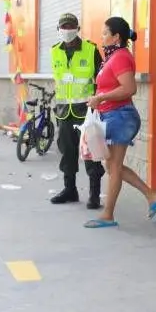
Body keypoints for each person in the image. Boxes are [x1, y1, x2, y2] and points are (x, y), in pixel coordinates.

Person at [83, 17, 156, 229]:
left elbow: (129, 88)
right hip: (112, 115)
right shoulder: (113, 57)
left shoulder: (120, 57)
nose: (101, 37)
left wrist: (100, 98)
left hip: (120, 116)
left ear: (116, 37)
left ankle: (108, 214)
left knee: (114, 166)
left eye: (104, 33)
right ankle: (151, 194)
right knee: (111, 165)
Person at [48, 13, 106, 209]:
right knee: (67, 152)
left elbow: (102, 79)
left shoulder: (91, 50)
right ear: (59, 29)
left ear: (77, 28)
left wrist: (99, 102)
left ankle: (94, 194)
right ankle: (70, 190)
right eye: (63, 26)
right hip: (64, 111)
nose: (67, 30)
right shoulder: (54, 51)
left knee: (92, 153)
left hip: (87, 111)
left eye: (70, 26)